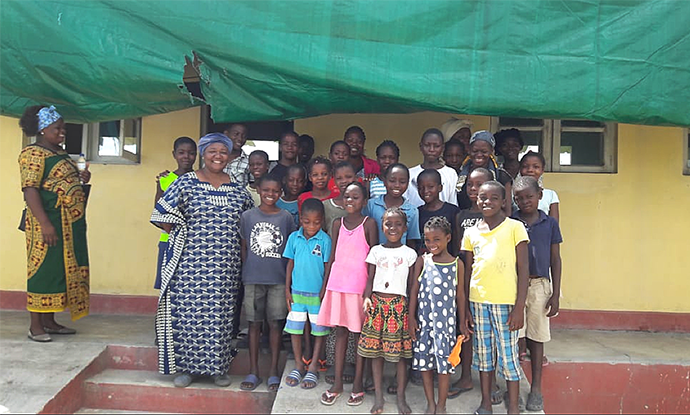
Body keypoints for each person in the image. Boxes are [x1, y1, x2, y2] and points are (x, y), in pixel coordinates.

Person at [151, 132, 253, 388]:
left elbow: (250, 222)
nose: (218, 156)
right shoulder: (185, 183)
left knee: (221, 317)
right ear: (203, 154)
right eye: (212, 152)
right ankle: (186, 369)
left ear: (229, 156)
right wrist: (184, 234)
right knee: (189, 316)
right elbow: (161, 214)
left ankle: (218, 369)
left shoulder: (238, 189)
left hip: (225, 267)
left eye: (222, 152)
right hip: (190, 265)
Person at [19, 105, 92, 342]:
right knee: (44, 271)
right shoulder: (33, 154)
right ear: (42, 130)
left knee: (60, 271)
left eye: (63, 128)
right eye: (57, 128)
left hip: (70, 226)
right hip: (47, 223)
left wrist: (83, 180)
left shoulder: (59, 154)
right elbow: (30, 190)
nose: (62, 132)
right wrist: (45, 224)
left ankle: (50, 322)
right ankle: (35, 326)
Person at [460, 181, 530, 415]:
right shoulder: (470, 232)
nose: (486, 202)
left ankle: (513, 407)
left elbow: (524, 269)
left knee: (509, 356)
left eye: (492, 198)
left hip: (506, 303)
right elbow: (467, 271)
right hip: (478, 301)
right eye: (482, 197)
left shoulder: (515, 228)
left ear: (503, 202)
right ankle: (486, 403)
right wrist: (466, 308)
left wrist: (520, 307)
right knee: (484, 355)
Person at [318, 182, 378, 407]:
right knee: (340, 333)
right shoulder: (337, 224)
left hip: (358, 289)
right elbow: (332, 256)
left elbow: (373, 258)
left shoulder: (369, 223)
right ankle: (337, 384)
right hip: (337, 286)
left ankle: (358, 384)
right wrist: (325, 286)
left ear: (364, 201)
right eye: (347, 197)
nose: (350, 201)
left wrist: (369, 290)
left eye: (355, 197)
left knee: (360, 336)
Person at [240, 174, 296, 392]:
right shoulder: (247, 216)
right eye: (266, 190)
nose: (270, 194)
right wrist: (248, 271)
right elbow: (245, 247)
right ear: (259, 191)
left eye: (275, 191)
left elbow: (290, 251)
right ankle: (253, 371)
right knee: (254, 325)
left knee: (275, 325)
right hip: (253, 279)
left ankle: (273, 371)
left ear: (280, 192)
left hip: (278, 280)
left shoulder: (286, 218)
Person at [359, 207, 417, 415]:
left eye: (398, 224)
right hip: (376, 306)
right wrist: (366, 298)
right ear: (382, 226)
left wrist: (411, 315)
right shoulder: (376, 251)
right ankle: (379, 398)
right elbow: (370, 277)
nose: (393, 228)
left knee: (400, 355)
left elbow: (412, 287)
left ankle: (401, 397)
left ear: (405, 228)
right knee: (376, 354)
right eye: (388, 224)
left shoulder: (410, 254)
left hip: (399, 308)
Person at [512, 176, 563, 412]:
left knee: (537, 337)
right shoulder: (511, 222)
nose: (525, 202)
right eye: (519, 198)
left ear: (539, 196)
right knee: (515, 338)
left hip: (541, 285)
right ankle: (514, 385)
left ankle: (536, 388)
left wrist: (555, 293)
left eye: (529, 197)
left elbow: (555, 258)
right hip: (513, 286)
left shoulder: (550, 223)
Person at [408, 217, 465, 415]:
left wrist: (463, 323)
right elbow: (414, 290)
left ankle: (441, 405)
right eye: (428, 240)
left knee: (443, 365)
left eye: (437, 239)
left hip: (446, 327)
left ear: (448, 238)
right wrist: (411, 318)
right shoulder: (423, 261)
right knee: (424, 363)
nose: (432, 244)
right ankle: (430, 402)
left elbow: (461, 296)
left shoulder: (457, 264)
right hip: (424, 324)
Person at [449, 167, 493, 397]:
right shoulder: (462, 216)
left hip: (492, 282)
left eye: (479, 185)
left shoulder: (497, 217)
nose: (474, 190)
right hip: (467, 278)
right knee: (465, 328)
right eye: (470, 186)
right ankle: (466, 376)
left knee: (490, 334)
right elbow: (459, 250)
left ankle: (491, 381)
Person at [283, 198, 332, 389]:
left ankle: (312, 367)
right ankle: (298, 364)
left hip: (316, 296)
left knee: (319, 331)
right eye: (307, 221)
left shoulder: (325, 240)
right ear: (300, 219)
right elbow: (290, 264)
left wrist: (323, 291)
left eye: (316, 222)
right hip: (296, 294)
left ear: (322, 221)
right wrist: (287, 290)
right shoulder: (294, 238)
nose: (311, 226)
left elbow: (327, 268)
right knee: (295, 329)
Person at [153, 137, 197, 290]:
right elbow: (158, 213)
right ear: (174, 154)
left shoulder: (199, 179)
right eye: (181, 153)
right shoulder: (165, 180)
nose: (186, 157)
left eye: (191, 153)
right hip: (169, 239)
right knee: (169, 284)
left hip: (193, 241)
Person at [456, 131, 513, 215]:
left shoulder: (502, 176)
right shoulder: (461, 175)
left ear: (491, 151)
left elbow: (507, 211)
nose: (479, 155)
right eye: (475, 151)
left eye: (484, 151)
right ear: (469, 150)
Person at [366, 163, 421, 247]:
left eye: (402, 182)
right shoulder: (371, 205)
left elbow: (411, 241)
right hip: (374, 257)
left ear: (407, 183)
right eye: (392, 181)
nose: (397, 185)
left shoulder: (412, 211)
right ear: (384, 181)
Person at [404, 129, 459, 208]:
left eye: (436, 146)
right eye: (427, 145)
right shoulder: (410, 173)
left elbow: (452, 202)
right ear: (421, 146)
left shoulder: (450, 173)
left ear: (443, 148)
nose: (431, 150)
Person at [416, 169, 460, 255]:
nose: (425, 191)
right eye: (421, 188)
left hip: (447, 262)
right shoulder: (417, 212)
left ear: (440, 188)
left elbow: (456, 241)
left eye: (430, 187)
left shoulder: (452, 211)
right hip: (424, 263)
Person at [519, 151, 560, 221]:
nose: (530, 170)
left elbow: (554, 224)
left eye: (536, 167)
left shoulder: (550, 195)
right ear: (520, 169)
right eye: (525, 166)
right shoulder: (513, 194)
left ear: (542, 170)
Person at [323, 162, 357, 235]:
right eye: (339, 178)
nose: (344, 181)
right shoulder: (326, 206)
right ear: (334, 180)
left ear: (356, 177)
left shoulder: (361, 204)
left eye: (348, 176)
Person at [276, 164, 307, 228]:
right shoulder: (276, 202)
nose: (295, 184)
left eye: (299, 181)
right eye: (291, 180)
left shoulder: (306, 203)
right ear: (284, 180)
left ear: (305, 182)